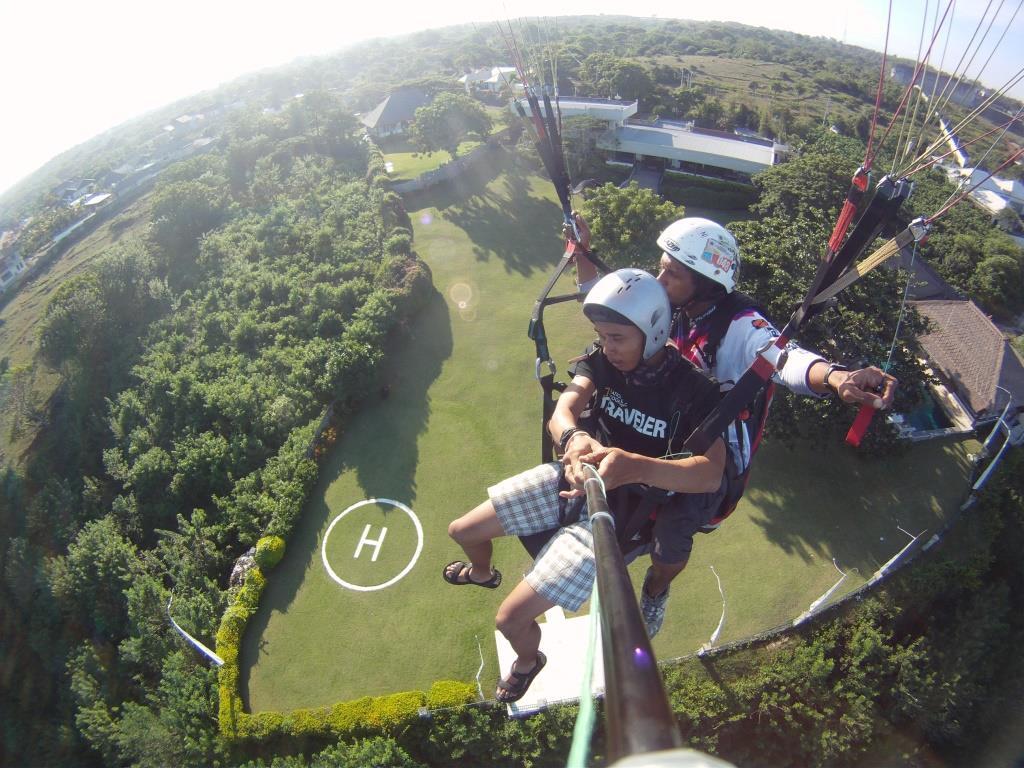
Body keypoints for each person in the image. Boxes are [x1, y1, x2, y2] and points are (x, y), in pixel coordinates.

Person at [442, 269, 728, 703]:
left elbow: (709, 473)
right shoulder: (600, 360)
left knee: (509, 620)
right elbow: (564, 409)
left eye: (617, 338)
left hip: (618, 516)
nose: (607, 348)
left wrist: (635, 467)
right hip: (574, 478)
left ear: (651, 333)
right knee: (461, 530)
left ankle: (527, 662)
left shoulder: (693, 391)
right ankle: (483, 573)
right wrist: (573, 438)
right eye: (602, 336)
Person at [642, 216, 898, 623]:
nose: (659, 279)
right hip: (665, 423)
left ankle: (657, 588)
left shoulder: (741, 326)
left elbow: (783, 356)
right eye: (662, 268)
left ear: (705, 283)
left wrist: (835, 377)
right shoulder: (672, 307)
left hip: (713, 450)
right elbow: (619, 313)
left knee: (669, 538)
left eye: (671, 273)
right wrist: (582, 254)